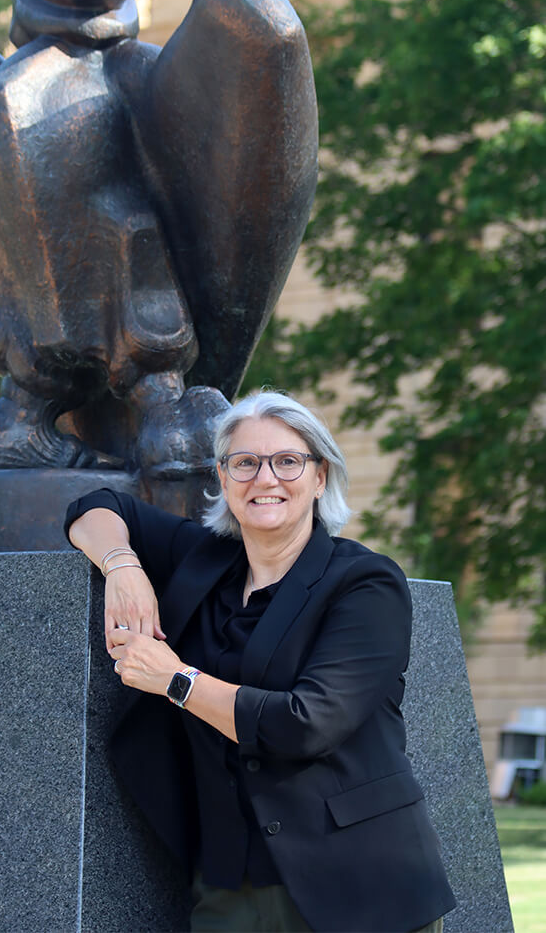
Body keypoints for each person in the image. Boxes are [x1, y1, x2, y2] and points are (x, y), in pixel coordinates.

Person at [65, 391, 456, 933]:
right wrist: (123, 567)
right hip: (229, 888)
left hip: (361, 884)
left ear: (319, 477)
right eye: (245, 462)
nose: (265, 478)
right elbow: (92, 507)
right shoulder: (202, 560)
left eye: (287, 461)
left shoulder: (365, 583)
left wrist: (176, 679)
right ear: (222, 479)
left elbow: (308, 723)